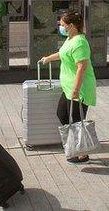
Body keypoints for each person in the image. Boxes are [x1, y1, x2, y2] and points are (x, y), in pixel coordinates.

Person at [39, 10, 97, 163]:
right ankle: (75, 145)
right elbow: (63, 53)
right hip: (69, 88)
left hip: (79, 89)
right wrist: (48, 58)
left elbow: (81, 68)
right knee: (62, 115)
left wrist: (76, 90)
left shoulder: (80, 42)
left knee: (78, 120)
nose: (61, 27)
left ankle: (82, 153)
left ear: (71, 26)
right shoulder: (70, 39)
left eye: (63, 25)